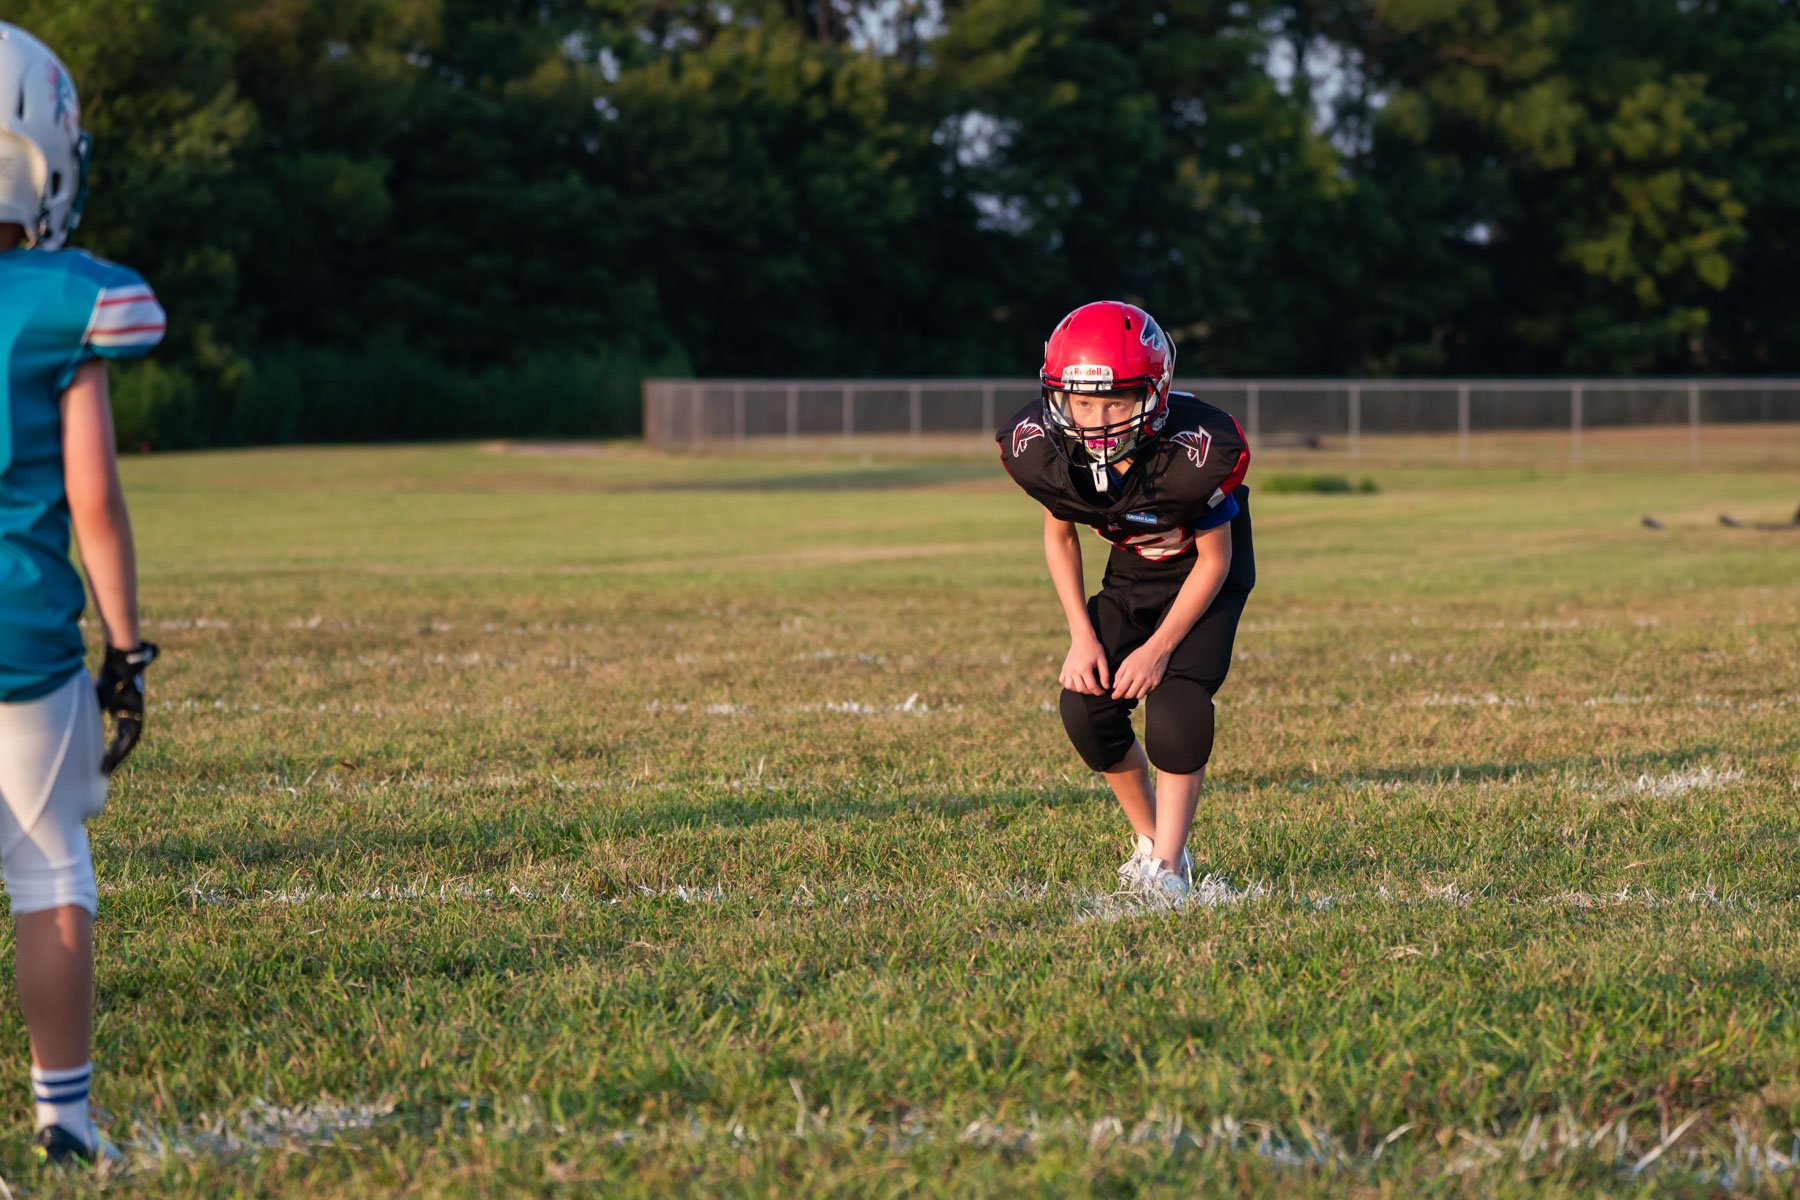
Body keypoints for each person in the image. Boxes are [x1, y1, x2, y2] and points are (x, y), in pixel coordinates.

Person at [0, 21, 165, 1166]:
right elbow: (95, 502)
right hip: (23, 647)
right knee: (49, 869)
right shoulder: (70, 300)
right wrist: (129, 647)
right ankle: (64, 1124)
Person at [997, 301, 1253, 902]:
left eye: (1115, 402)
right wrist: (1081, 636)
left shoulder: (1193, 452)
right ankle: (1153, 843)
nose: (1097, 421)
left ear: (1153, 394)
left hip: (1203, 578)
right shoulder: (1047, 451)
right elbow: (1060, 535)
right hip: (1132, 575)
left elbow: (1215, 561)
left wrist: (1159, 649)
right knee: (1086, 706)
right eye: (1082, 403)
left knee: (1175, 709)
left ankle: (1169, 869)